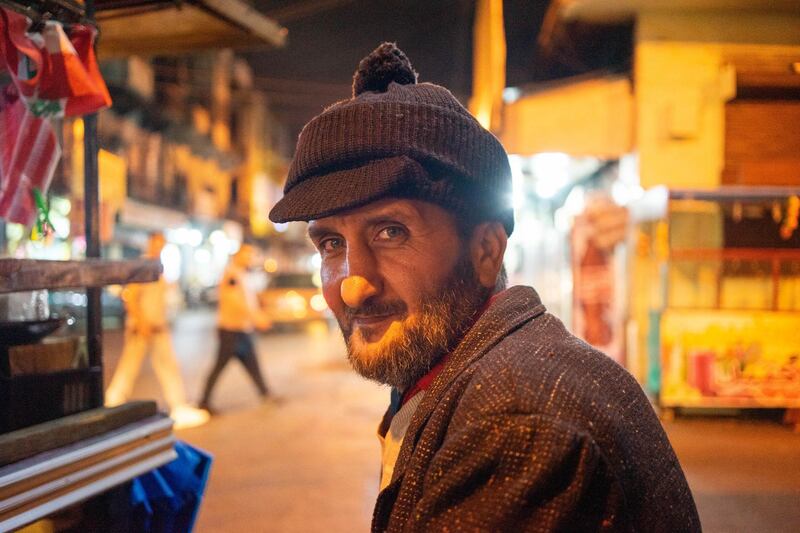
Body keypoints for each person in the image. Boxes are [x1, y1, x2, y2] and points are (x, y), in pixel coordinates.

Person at [267, 43, 701, 531]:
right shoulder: (466, 372)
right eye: (330, 243)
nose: (352, 286)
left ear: (485, 251)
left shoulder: (514, 420)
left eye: (391, 232)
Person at [106, 232, 209, 430]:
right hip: (143, 327)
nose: (159, 247)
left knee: (167, 366)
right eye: (156, 243)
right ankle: (113, 402)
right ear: (149, 244)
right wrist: (141, 322)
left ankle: (177, 405)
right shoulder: (144, 267)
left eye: (162, 244)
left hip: (157, 326)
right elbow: (132, 298)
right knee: (130, 367)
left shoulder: (157, 268)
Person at [199, 243, 271, 413]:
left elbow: (247, 301)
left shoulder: (242, 274)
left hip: (242, 329)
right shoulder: (232, 274)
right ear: (237, 256)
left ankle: (266, 394)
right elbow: (235, 302)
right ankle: (204, 401)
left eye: (251, 255)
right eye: (246, 255)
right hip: (231, 330)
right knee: (219, 366)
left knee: (252, 364)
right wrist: (257, 318)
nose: (250, 259)